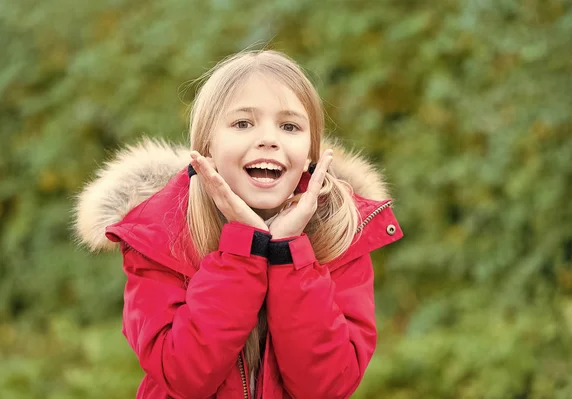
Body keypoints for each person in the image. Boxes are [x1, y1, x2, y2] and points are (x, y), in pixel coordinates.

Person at [75, 50, 403, 399]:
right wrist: (244, 249)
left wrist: (287, 253)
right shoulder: (160, 236)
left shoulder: (341, 235)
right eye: (243, 123)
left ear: (310, 152)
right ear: (207, 147)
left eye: (289, 126)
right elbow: (184, 377)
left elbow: (325, 386)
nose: (269, 139)